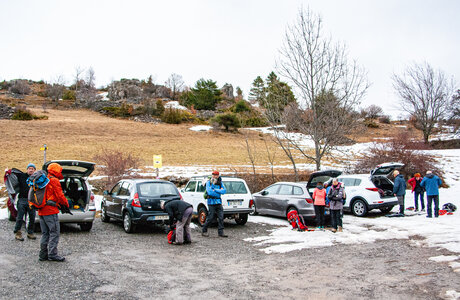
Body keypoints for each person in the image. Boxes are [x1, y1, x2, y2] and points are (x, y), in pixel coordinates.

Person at [38, 162, 69, 262]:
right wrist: (66, 205)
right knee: (54, 233)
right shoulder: (54, 180)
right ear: (57, 170)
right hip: (50, 211)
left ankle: (43, 255)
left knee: (45, 233)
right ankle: (52, 254)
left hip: (41, 210)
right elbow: (60, 195)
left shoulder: (44, 179)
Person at [13, 163, 37, 241]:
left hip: (32, 200)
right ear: (27, 169)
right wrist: (8, 172)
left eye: (32, 169)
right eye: (29, 168)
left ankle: (30, 233)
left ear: (34, 170)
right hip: (22, 199)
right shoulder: (22, 176)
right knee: (20, 217)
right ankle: (18, 233)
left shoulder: (36, 178)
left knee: (32, 217)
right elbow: (13, 175)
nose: (30, 170)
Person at [202, 171, 227, 238]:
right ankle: (204, 230)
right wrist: (219, 191)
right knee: (210, 217)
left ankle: (221, 233)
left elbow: (224, 191)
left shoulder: (220, 182)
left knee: (221, 217)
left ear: (218, 175)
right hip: (211, 202)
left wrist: (215, 190)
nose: (215, 176)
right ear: (212, 175)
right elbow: (209, 192)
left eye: (216, 175)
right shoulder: (208, 182)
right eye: (214, 175)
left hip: (218, 202)